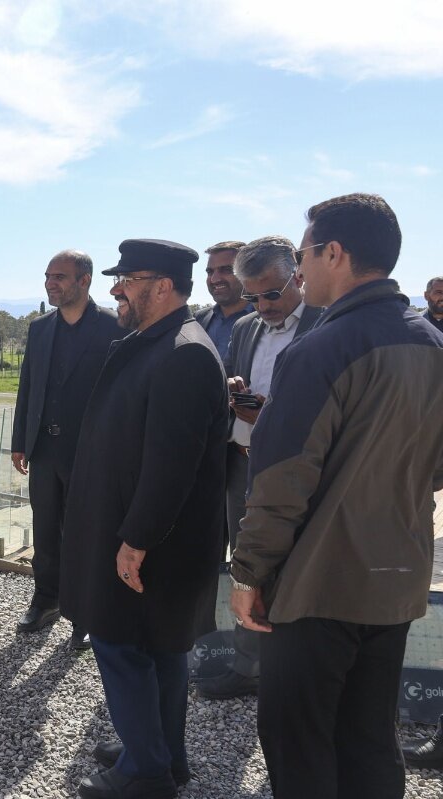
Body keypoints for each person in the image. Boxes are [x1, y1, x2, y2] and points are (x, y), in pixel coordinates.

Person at [230, 193, 443, 799]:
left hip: (320, 584)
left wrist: (248, 573)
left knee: (298, 742)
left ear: (334, 253)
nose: (299, 271)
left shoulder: (320, 349)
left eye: (303, 255)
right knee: (369, 737)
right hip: (397, 578)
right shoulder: (432, 343)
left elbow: (280, 482)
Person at [61, 239, 228, 799]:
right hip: (142, 533)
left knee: (121, 645)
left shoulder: (183, 352)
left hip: (151, 543)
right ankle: (158, 751)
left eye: (128, 280)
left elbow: (171, 466)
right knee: (159, 648)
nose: (116, 289)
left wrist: (135, 541)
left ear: (163, 287)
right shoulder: (156, 342)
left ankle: (146, 773)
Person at [196, 235, 323, 701]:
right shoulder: (247, 327)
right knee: (245, 568)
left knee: (295, 569)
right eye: (253, 297)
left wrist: (270, 417)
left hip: (298, 475)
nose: (263, 306)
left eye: (271, 293)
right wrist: (235, 390)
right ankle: (248, 667)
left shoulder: (327, 324)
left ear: (298, 276)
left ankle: (294, 671)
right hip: (241, 465)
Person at [10, 249, 122, 648]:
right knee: (45, 531)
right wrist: (20, 441)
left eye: (59, 276)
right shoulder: (40, 329)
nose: (50, 283)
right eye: (47, 276)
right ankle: (47, 599)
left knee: (87, 534)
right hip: (44, 449)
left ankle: (85, 613)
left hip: (91, 453)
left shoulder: (114, 326)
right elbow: (28, 386)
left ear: (84, 280)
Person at [195, 241, 253, 362]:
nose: (214, 279)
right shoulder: (199, 319)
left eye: (226, 270)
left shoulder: (266, 320)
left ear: (248, 273)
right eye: (210, 272)